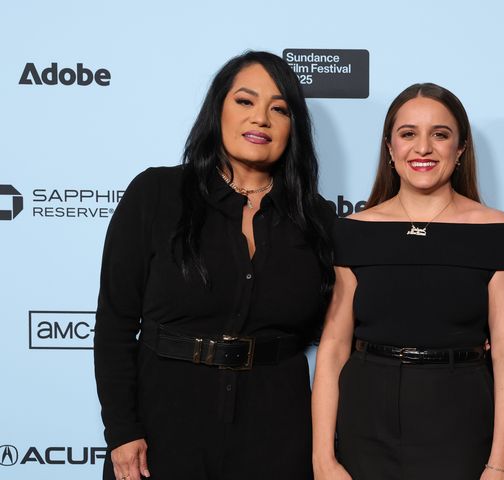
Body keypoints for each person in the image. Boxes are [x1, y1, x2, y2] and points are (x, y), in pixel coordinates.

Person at [94, 51, 334, 480]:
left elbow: (338, 331)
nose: (260, 118)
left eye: (279, 109)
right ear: (218, 109)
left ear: (293, 126)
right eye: (245, 101)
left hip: (277, 437)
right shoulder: (157, 194)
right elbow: (114, 324)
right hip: (164, 430)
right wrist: (123, 431)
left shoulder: (316, 218)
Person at [312, 83, 504, 480]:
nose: (423, 148)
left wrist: (501, 463)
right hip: (365, 420)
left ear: (460, 149)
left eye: (440, 134)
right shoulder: (353, 231)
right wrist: (323, 458)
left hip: (461, 420)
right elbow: (333, 348)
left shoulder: (496, 231)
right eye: (408, 133)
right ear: (390, 148)